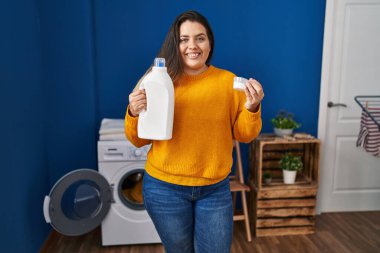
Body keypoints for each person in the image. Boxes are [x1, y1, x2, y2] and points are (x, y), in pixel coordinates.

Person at [125, 10, 264, 253]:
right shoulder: (158, 80)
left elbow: (245, 135)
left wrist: (252, 107)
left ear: (210, 43)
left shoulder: (227, 82)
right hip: (164, 189)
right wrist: (134, 112)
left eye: (200, 38)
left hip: (215, 189)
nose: (192, 46)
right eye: (184, 39)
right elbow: (137, 139)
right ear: (175, 44)